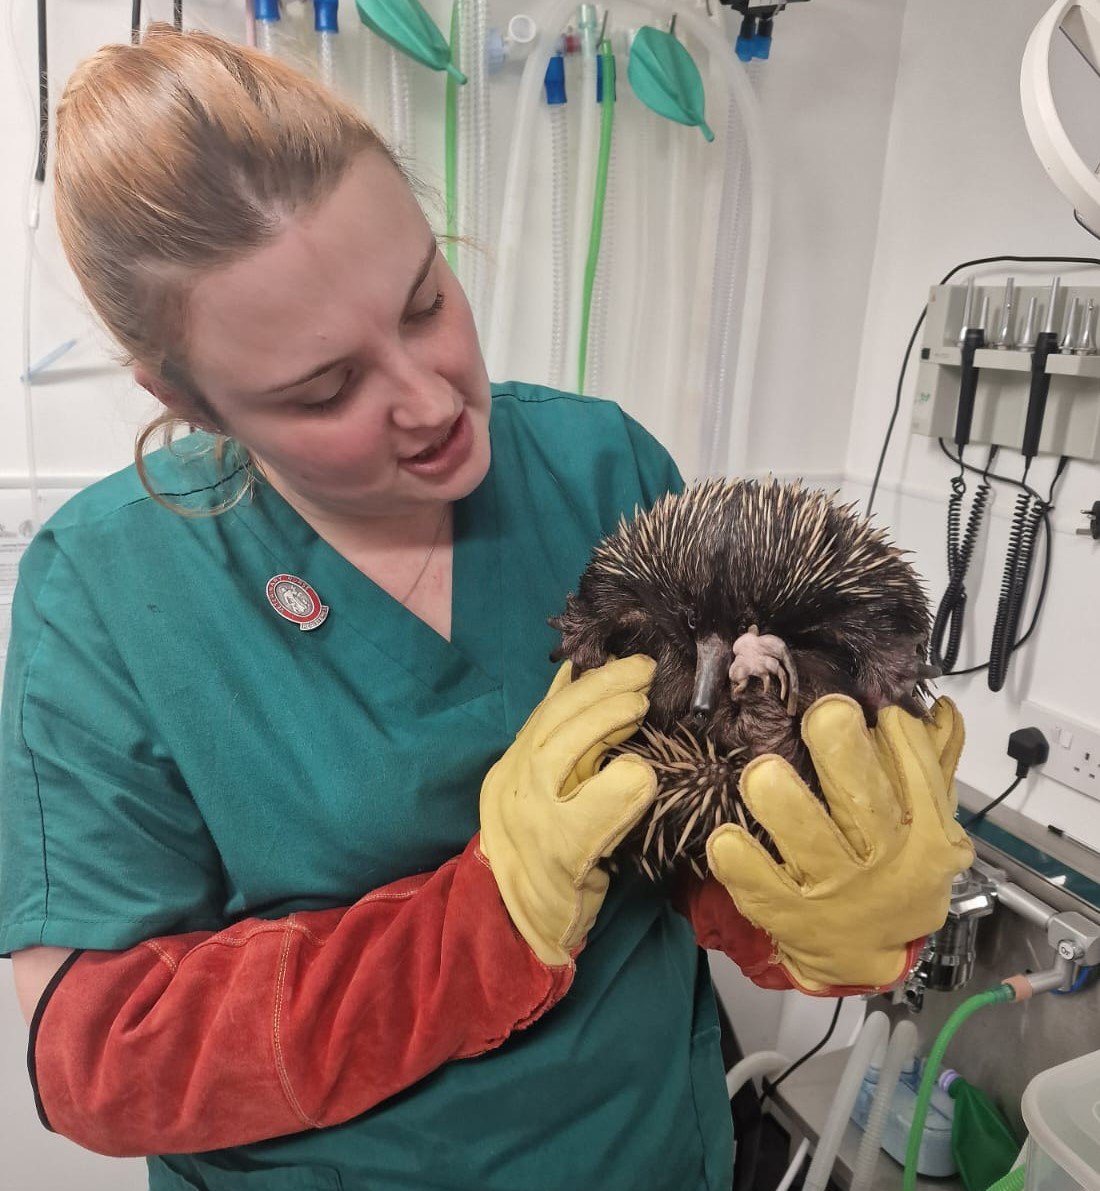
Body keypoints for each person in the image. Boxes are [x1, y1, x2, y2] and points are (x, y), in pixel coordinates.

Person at [0, 25, 974, 1191]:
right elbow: (104, 1059)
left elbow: (703, 843)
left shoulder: (597, 466)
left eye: (424, 302)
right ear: (188, 400)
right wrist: (475, 925)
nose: (430, 400)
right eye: (326, 388)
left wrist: (821, 913)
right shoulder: (109, 590)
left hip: (647, 1155)